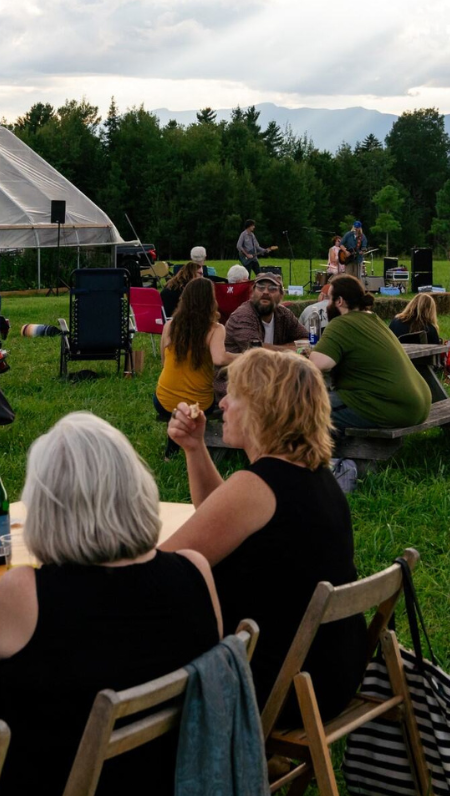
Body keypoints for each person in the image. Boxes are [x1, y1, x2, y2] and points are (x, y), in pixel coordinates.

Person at [0, 413, 221, 796]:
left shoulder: (25, 592)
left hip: (48, 778)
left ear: (46, 506)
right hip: (168, 774)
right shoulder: (195, 570)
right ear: (138, 489)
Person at [162, 348, 366, 721]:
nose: (222, 403)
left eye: (234, 395)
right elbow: (221, 515)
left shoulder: (256, 487)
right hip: (331, 675)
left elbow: (160, 572)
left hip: (275, 687)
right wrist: (195, 448)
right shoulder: (315, 476)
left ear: (263, 409)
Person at [300, 274, 430, 430]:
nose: (327, 304)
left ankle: (326, 453)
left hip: (392, 408)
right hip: (418, 405)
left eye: (329, 299)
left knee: (301, 407)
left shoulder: (342, 323)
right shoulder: (373, 319)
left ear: (339, 301)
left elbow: (318, 364)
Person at [156, 277, 237, 417]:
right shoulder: (215, 329)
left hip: (164, 402)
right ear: (211, 300)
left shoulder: (169, 326)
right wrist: (246, 356)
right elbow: (219, 358)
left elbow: (164, 363)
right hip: (200, 405)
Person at [224, 272, 305, 355]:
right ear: (252, 292)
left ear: (281, 295)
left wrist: (279, 348)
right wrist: (292, 348)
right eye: (261, 287)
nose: (265, 292)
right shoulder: (243, 316)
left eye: (272, 288)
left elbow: (306, 340)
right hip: (238, 367)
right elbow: (256, 351)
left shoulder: (284, 314)